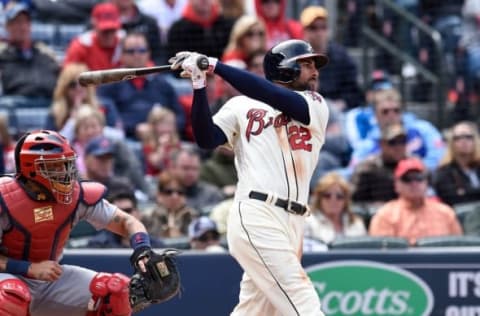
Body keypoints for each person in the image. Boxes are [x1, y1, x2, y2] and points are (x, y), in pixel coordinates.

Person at [169, 38, 329, 315]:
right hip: (257, 213)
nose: (314, 71)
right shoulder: (240, 106)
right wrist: (198, 83)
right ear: (285, 70)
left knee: (255, 310)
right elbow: (207, 139)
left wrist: (215, 66)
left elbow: (274, 96)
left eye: (314, 65)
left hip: (294, 222)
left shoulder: (314, 104)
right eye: (306, 64)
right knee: (304, 302)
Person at [0, 130, 157, 315]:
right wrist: (28, 268)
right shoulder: (5, 197)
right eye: (56, 166)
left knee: (114, 291)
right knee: (10, 296)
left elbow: (127, 221)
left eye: (66, 164)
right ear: (31, 168)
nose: (65, 172)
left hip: (49, 276)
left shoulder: (76, 195)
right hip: (8, 274)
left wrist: (143, 249)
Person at [369, 157, 463, 245]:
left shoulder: (445, 213)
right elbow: (383, 253)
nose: (414, 183)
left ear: (426, 182)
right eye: (407, 179)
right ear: (396, 185)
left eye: (419, 177)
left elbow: (459, 249)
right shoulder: (385, 215)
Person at [300, 5, 364, 110]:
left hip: (337, 112)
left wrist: (342, 103)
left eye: (323, 27)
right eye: (313, 28)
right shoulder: (296, 57)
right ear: (304, 31)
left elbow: (355, 92)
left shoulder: (341, 56)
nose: (319, 32)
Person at [0, 2, 59, 101]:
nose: (22, 27)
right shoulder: (2, 56)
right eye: (17, 22)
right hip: (13, 109)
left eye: (26, 21)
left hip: (49, 106)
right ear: (8, 27)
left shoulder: (45, 53)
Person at [88, 190, 166, 248]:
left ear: (138, 213)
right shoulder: (98, 245)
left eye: (128, 211)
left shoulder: (155, 245)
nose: (123, 216)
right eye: (118, 212)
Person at [305, 172, 367, 245]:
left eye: (339, 196)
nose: (333, 200)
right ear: (319, 199)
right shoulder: (308, 223)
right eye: (327, 196)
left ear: (346, 200)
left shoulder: (356, 223)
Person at [63, 2, 124, 70]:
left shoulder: (126, 43)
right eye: (105, 31)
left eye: (112, 30)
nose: (109, 35)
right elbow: (68, 75)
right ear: (94, 25)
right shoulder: (81, 45)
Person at [432, 121, 480, 206]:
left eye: (468, 137)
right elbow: (453, 199)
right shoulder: (443, 173)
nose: (464, 141)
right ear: (451, 143)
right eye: (458, 138)